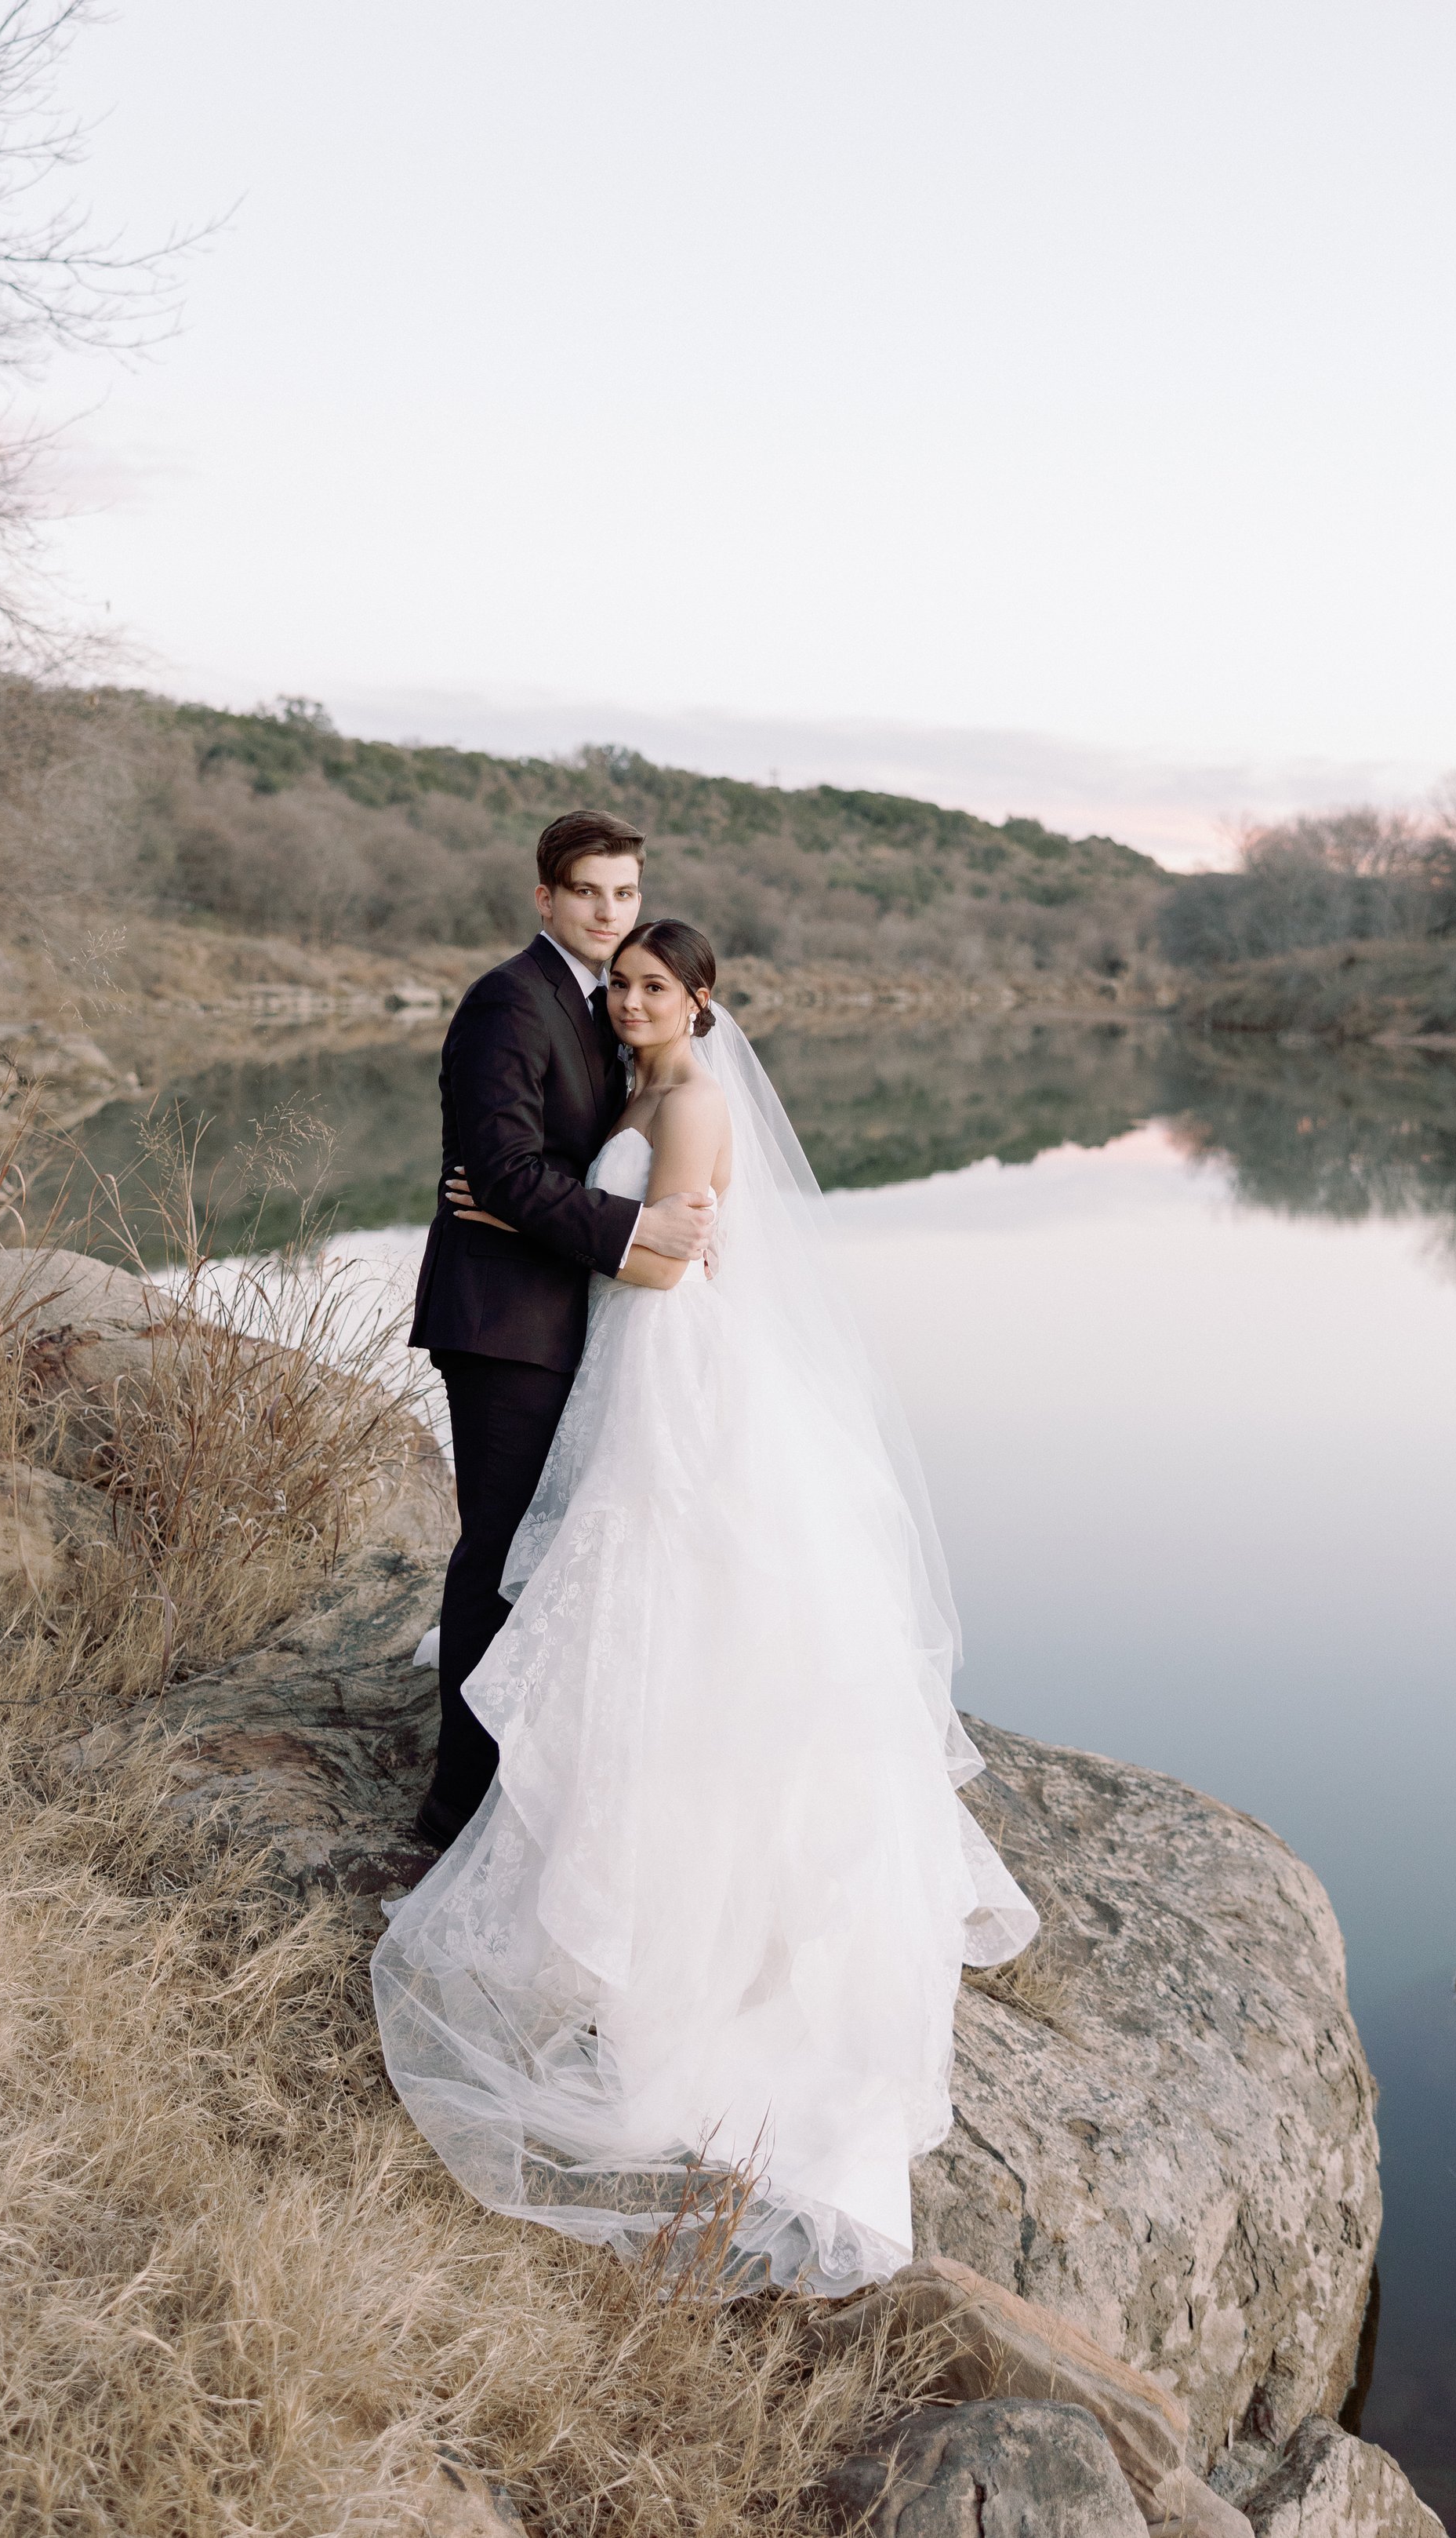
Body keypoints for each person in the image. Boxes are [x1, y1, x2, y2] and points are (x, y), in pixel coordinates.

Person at [376, 918, 1038, 2295]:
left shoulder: (695, 1096)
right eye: (620, 983)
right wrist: (566, 1211)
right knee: (621, 1602)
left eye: (653, 986)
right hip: (628, 1352)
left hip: (670, 1365)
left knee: (667, 1592)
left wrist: (544, 1219)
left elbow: (673, 1264)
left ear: (702, 1000)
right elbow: (627, 1224)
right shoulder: (638, 1085)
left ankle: (672, 1901)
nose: (627, 999)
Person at [407, 811, 716, 1849]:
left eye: (623, 894)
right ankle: (456, 1809)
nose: (606, 911)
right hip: (503, 1322)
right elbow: (498, 1171)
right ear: (546, 898)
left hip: (573, 1318)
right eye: (588, 891)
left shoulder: (605, 1007)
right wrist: (635, 1224)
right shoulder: (510, 1000)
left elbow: (544, 1171)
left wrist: (632, 1221)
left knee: (550, 1563)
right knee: (496, 1560)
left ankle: (526, 1785)